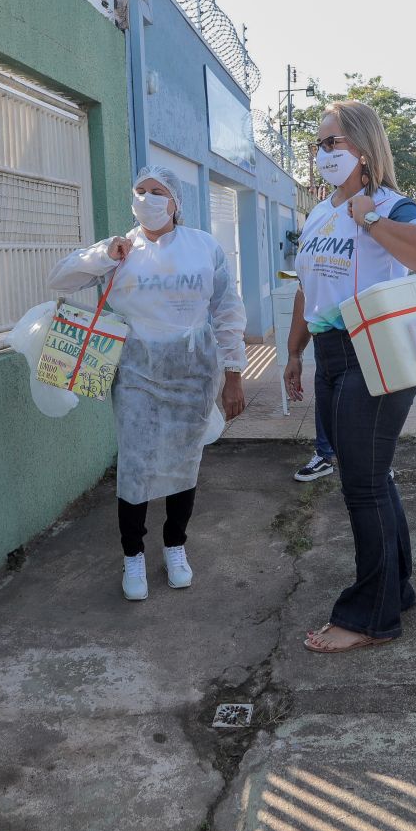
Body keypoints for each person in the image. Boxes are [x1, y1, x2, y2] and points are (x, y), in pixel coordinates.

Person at [282, 100, 416, 653]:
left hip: (374, 348)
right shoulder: (320, 212)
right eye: (319, 144)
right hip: (330, 352)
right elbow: (309, 286)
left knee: (363, 483)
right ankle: (394, 589)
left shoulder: (392, 205)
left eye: (334, 143)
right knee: (373, 476)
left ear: (364, 147)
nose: (322, 153)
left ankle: (371, 617)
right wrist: (294, 352)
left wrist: (371, 218)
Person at [49, 166, 247, 601]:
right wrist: (103, 255)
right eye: (141, 190)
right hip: (136, 372)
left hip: (193, 372)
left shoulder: (203, 247)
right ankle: (133, 555)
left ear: (175, 202)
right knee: (136, 465)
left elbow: (228, 311)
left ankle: (175, 546)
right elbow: (58, 280)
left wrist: (234, 373)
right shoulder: (120, 249)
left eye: (159, 192)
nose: (149, 198)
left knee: (184, 460)